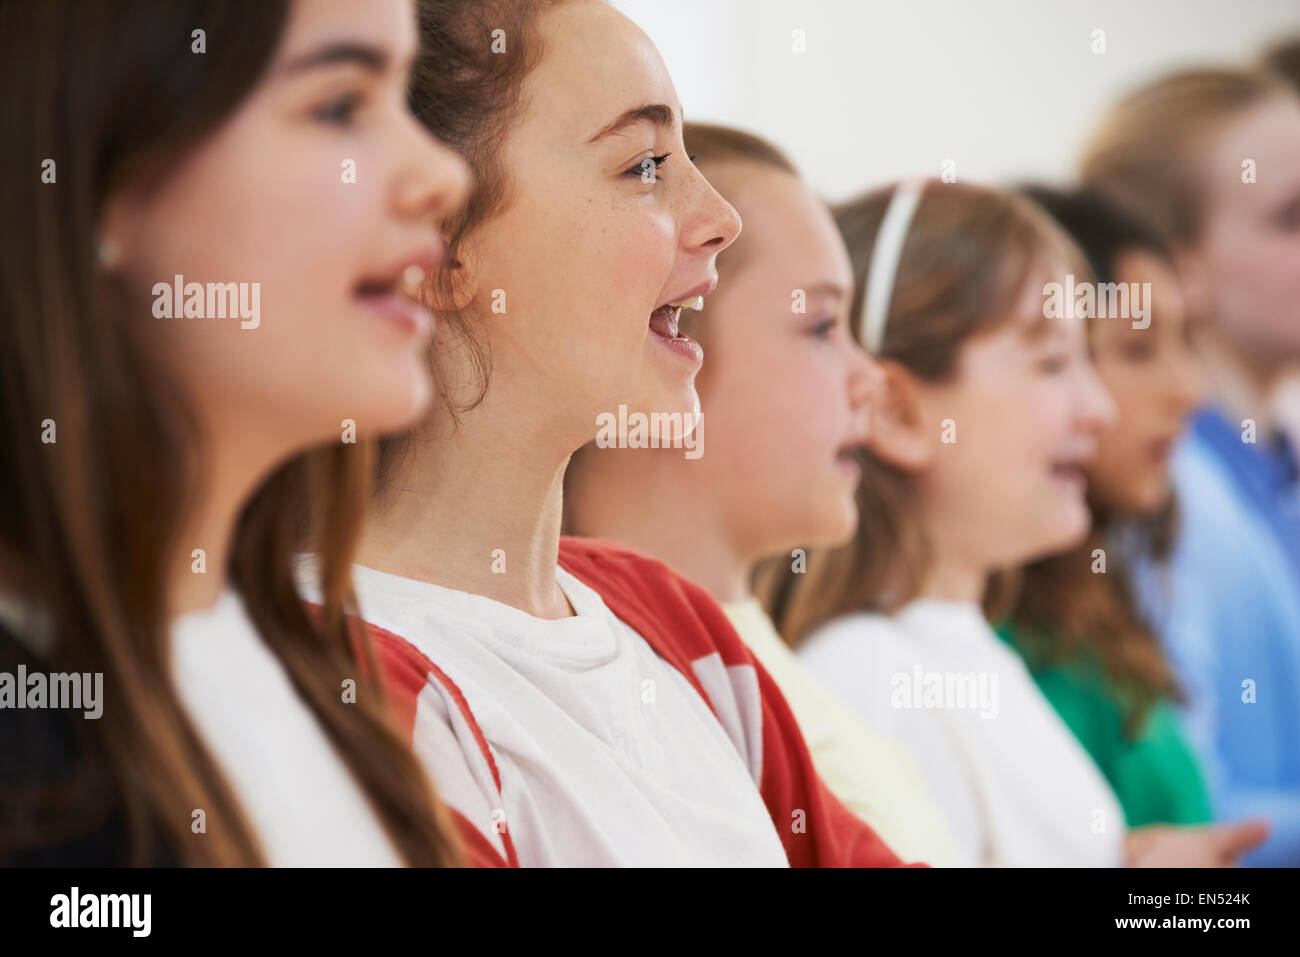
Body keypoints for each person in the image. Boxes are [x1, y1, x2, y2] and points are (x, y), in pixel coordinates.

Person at [307, 0, 912, 867]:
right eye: (644, 165)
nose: (720, 217)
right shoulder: (353, 684)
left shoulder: (674, 622)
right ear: (438, 243)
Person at [1, 0, 470, 866]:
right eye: (339, 104)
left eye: (403, 100)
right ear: (99, 176)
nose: (443, 174)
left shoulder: (314, 671)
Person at [563, 122, 962, 865]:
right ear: (670, 333)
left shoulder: (766, 672)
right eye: (821, 326)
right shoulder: (640, 691)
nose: (872, 379)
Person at [1082, 67, 1300, 865]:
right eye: (1291, 217)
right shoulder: (1166, 492)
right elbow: (1190, 805)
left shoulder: (1265, 465)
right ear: (1183, 270)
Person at [999, 185, 1214, 829]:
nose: (1189, 390)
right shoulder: (1001, 636)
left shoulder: (1100, 593)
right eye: (1139, 350)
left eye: (1187, 343)